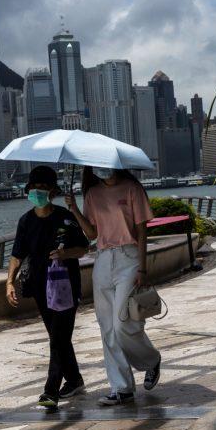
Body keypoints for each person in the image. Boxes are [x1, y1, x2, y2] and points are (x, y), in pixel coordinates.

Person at [67, 166, 162, 406]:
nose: (102, 169)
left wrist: (143, 268)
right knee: (107, 326)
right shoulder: (92, 194)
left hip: (128, 259)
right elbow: (91, 233)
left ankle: (150, 361)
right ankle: (122, 388)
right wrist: (74, 208)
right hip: (102, 259)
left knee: (122, 324)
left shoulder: (132, 189)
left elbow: (142, 232)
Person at [6, 166, 90, 408]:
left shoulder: (65, 217)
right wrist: (9, 281)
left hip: (66, 286)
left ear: (52, 191)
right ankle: (74, 379)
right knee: (58, 336)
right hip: (39, 287)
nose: (38, 192)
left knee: (58, 338)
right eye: (35, 188)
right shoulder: (25, 221)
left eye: (43, 188)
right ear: (28, 189)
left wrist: (65, 253)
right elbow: (17, 254)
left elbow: (84, 248)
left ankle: (51, 391)